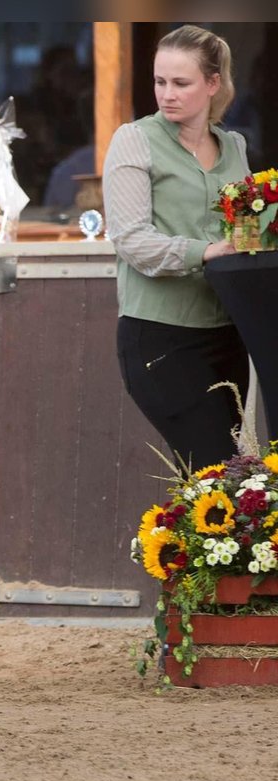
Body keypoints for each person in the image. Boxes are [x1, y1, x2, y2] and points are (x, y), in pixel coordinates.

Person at [104, 24, 250, 472]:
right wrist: (204, 252)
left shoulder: (235, 145)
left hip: (227, 332)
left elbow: (245, 229)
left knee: (224, 480)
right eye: (159, 81)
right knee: (214, 472)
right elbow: (131, 239)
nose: (166, 94)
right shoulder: (135, 139)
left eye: (180, 83)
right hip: (160, 335)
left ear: (212, 84)